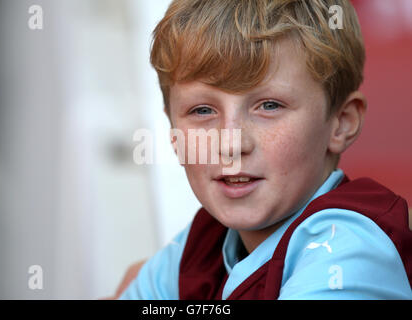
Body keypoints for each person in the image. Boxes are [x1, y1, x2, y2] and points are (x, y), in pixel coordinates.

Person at [116, 0, 412, 299]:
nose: (231, 144)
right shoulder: (198, 248)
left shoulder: (350, 249)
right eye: (202, 110)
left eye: (269, 106)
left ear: (341, 122)